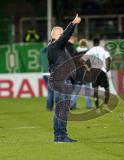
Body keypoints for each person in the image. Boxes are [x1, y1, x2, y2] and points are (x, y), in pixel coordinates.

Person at [47, 14, 81, 143]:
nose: (63, 36)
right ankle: (60, 136)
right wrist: (73, 23)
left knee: (62, 110)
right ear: (54, 36)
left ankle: (60, 136)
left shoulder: (55, 48)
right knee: (62, 110)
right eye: (60, 34)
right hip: (62, 80)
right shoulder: (55, 46)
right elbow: (66, 36)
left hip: (61, 80)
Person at [81, 38, 112, 114]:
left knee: (95, 90)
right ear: (99, 42)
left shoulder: (91, 50)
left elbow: (82, 60)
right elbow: (109, 59)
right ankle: (105, 105)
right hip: (101, 70)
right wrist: (108, 67)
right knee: (107, 89)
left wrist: (87, 68)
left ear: (93, 43)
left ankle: (97, 108)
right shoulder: (102, 50)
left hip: (94, 71)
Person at [70, 39, 93, 109]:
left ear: (80, 44)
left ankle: (71, 104)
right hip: (86, 73)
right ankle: (89, 105)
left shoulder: (75, 52)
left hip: (78, 73)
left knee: (76, 91)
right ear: (86, 44)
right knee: (87, 90)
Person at [40, 47, 54, 111]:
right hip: (50, 73)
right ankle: (49, 107)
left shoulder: (42, 54)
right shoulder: (51, 54)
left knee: (49, 91)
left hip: (44, 74)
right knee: (51, 91)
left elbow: (40, 62)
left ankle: (49, 107)